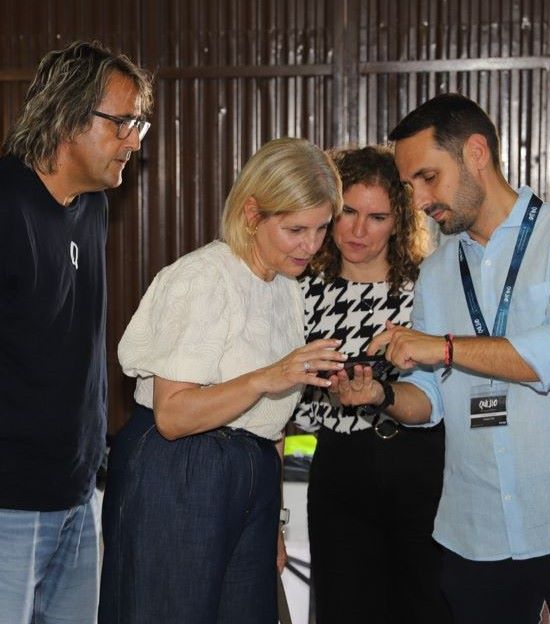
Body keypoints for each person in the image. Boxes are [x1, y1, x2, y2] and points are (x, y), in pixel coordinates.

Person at [336, 93, 550, 623]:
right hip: (475, 533)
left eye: (429, 177)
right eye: (411, 186)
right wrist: (383, 396)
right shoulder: (437, 272)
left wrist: (444, 346)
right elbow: (430, 401)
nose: (421, 198)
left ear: (477, 152)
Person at [0, 40, 152, 623]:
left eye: (138, 122)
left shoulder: (90, 203)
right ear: (68, 116)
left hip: (74, 494)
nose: (135, 140)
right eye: (122, 122)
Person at [100, 137, 345, 623]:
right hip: (180, 470)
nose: (311, 245)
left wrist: (272, 517)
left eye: (321, 228)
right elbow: (173, 416)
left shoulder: (287, 291)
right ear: (253, 214)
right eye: (295, 228)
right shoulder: (203, 279)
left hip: (249, 472)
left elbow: (271, 426)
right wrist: (267, 377)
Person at [293, 146, 450, 623]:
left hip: (422, 465)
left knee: (427, 610)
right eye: (348, 214)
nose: (359, 231)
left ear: (400, 221)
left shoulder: (430, 288)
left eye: (377, 216)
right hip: (340, 468)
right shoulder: (300, 291)